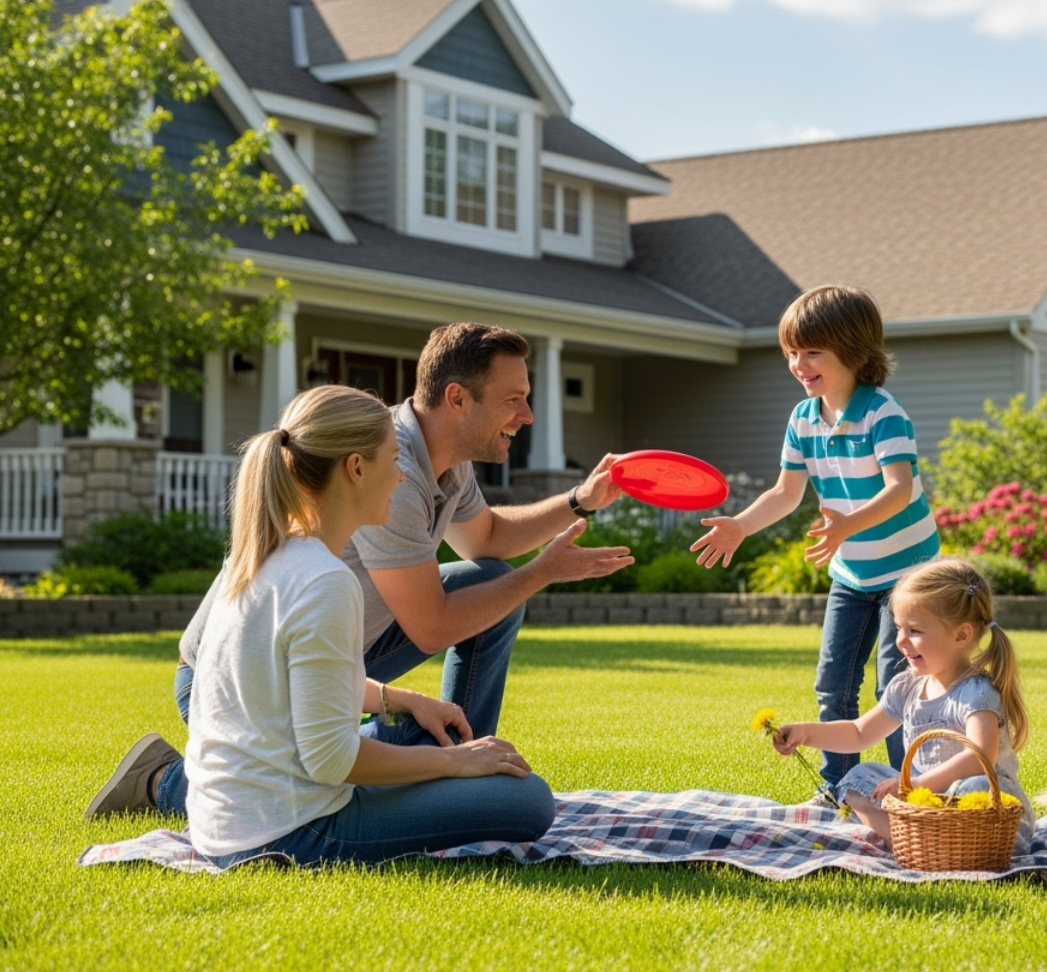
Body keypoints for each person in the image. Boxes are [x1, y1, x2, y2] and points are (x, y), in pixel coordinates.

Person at [86, 323, 633, 820]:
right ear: (457, 399)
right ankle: (167, 781)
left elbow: (487, 537)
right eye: (514, 400)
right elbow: (432, 627)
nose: (528, 416)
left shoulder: (446, 459)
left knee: (488, 580)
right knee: (320, 768)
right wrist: (540, 573)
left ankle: (458, 759)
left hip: (332, 648)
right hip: (229, 679)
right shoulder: (379, 466)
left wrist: (580, 499)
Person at [125, 385, 552, 865]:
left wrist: (404, 700)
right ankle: (165, 782)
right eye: (394, 461)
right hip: (295, 831)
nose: (400, 476)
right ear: (355, 468)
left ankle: (165, 782)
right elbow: (330, 761)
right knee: (529, 800)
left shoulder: (268, 552)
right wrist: (456, 764)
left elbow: (300, 688)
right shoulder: (326, 581)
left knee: (434, 733)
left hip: (237, 817)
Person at [691, 285, 940, 799]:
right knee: (833, 685)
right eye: (790, 353)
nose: (798, 364)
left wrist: (847, 524)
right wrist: (740, 524)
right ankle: (839, 787)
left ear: (853, 351)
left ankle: (910, 793)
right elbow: (786, 492)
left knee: (896, 689)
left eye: (811, 352)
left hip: (908, 576)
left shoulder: (883, 413)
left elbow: (900, 489)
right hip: (852, 574)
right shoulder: (803, 419)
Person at [770, 559, 1035, 848]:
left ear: (961, 635)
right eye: (898, 628)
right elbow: (860, 733)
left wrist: (917, 785)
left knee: (975, 787)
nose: (900, 641)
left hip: (988, 814)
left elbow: (979, 757)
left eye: (915, 631)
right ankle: (915, 840)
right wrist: (806, 733)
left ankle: (931, 839)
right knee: (858, 779)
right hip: (925, 803)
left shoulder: (976, 693)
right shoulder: (907, 687)